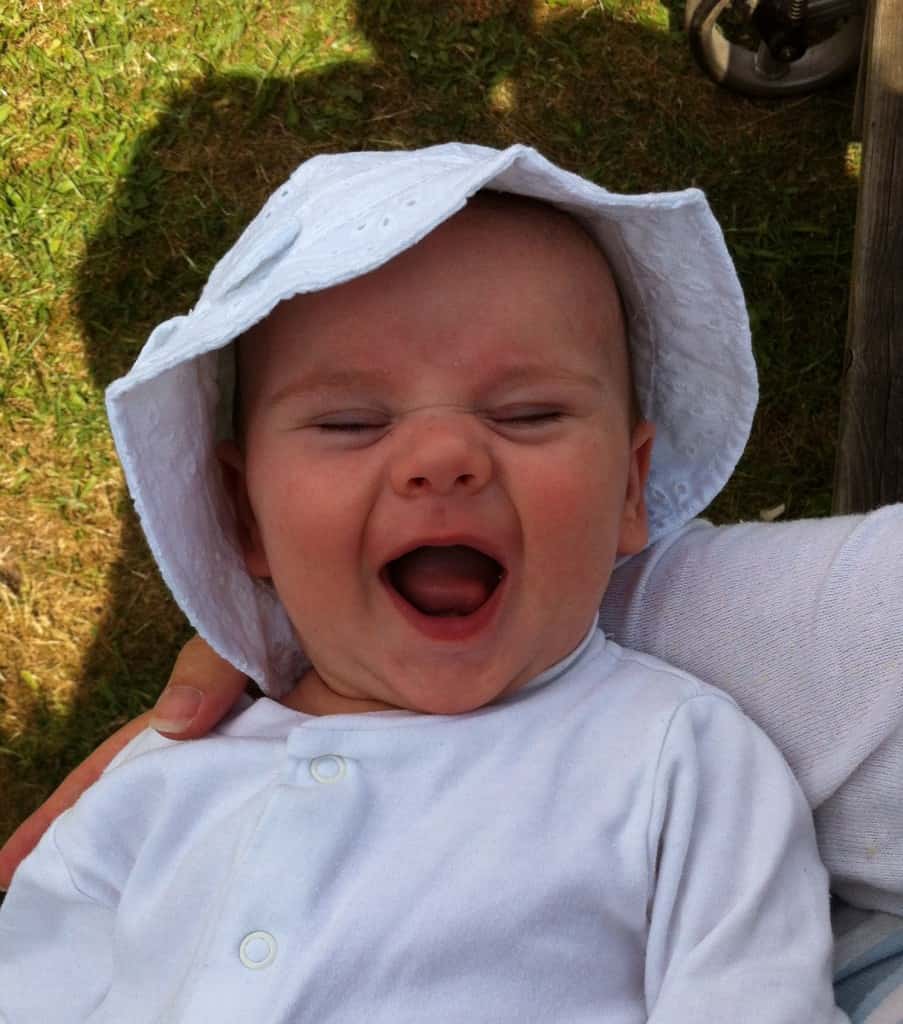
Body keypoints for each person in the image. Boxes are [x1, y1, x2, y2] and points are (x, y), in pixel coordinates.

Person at [0, 143, 849, 1021]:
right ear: (243, 513)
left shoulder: (677, 762)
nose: (443, 458)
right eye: (350, 421)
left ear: (629, 488)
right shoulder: (160, 781)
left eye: (528, 414)